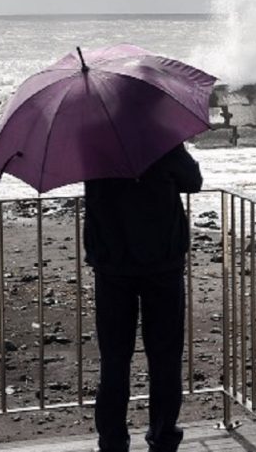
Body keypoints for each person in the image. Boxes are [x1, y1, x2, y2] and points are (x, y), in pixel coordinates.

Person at [83, 143, 202, 452]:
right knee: (164, 358)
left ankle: (112, 441)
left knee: (114, 360)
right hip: (161, 264)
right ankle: (162, 439)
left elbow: (95, 194)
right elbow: (193, 181)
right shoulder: (160, 140)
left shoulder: (92, 143)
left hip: (112, 266)